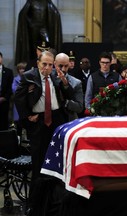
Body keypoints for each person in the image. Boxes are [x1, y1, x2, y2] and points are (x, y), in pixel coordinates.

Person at [14, 51, 72, 216]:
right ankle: (35, 206)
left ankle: (53, 203)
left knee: (56, 164)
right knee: (39, 165)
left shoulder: (55, 75)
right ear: (38, 63)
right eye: (44, 64)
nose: (47, 68)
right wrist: (26, 117)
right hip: (38, 123)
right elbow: (18, 98)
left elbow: (66, 96)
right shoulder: (29, 76)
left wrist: (64, 82)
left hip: (56, 120)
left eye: (50, 64)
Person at [15, 0, 62, 65]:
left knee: (47, 43)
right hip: (33, 28)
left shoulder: (47, 2)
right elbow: (23, 13)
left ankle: (48, 60)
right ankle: (35, 62)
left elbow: (55, 12)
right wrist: (29, 23)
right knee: (33, 46)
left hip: (43, 28)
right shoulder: (31, 2)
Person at [54, 53, 84, 121]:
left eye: (66, 66)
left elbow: (79, 108)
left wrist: (65, 102)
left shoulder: (76, 83)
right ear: (55, 64)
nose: (63, 69)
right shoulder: (48, 79)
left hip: (67, 120)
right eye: (60, 66)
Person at [12, 62, 27, 137]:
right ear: (18, 70)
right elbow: (14, 89)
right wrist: (24, 90)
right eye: (20, 69)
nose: (22, 70)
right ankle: (18, 139)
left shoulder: (28, 78)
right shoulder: (15, 79)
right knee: (18, 124)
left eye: (24, 69)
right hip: (18, 103)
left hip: (27, 103)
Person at [0, 52, 14, 130]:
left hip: (4, 100)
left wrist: (5, 97)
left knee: (3, 121)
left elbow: (10, 86)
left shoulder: (8, 72)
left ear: (2, 58)